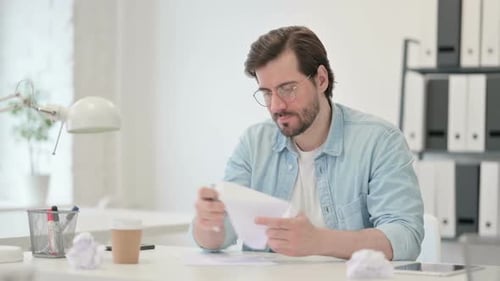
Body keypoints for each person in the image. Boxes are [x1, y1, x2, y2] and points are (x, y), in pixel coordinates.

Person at [192, 26, 424, 261]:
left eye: (288, 89)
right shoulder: (254, 144)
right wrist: (209, 224)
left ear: (321, 80)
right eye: (267, 93)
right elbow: (218, 237)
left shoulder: (380, 141)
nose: (276, 106)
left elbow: (405, 237)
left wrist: (318, 241)